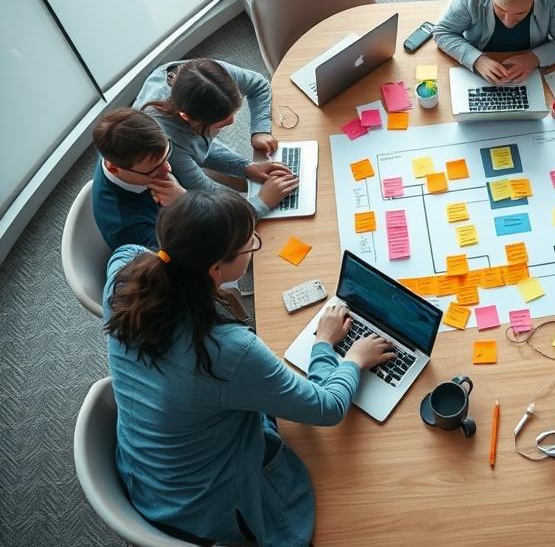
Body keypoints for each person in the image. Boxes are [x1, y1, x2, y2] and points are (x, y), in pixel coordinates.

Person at [103, 190, 395, 545]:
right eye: (250, 245)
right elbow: (327, 407)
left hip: (146, 471)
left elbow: (127, 253)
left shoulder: (125, 271)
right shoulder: (226, 351)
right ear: (215, 269)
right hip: (200, 504)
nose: (255, 245)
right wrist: (343, 354)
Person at [134, 58, 297, 218]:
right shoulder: (166, 144)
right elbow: (208, 196)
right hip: (164, 167)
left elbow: (259, 84)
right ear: (187, 117)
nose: (233, 121)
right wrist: (262, 202)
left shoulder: (214, 75)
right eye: (222, 122)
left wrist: (258, 134)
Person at [91, 108, 186, 250]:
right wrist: (185, 204)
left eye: (167, 155)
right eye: (155, 168)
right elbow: (184, 253)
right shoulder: (127, 228)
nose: (168, 169)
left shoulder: (117, 149)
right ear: (114, 169)